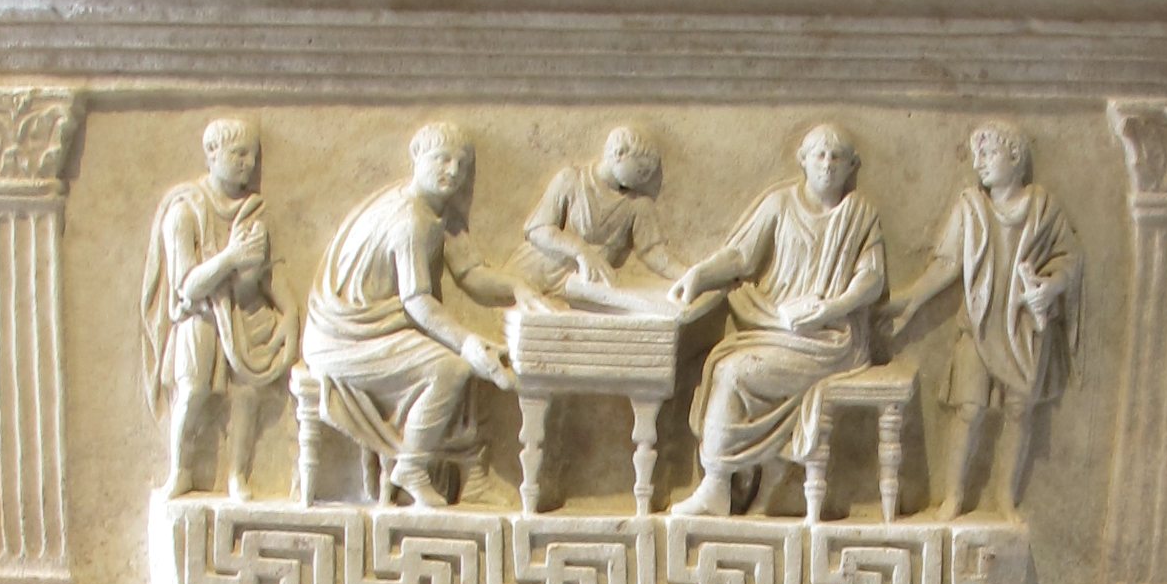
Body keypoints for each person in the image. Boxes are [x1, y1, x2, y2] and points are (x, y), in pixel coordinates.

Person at [669, 126, 886, 518]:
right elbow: (741, 256)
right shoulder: (780, 204)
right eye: (819, 155)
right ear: (802, 160)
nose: (827, 164)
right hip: (776, 324)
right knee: (720, 363)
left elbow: (870, 278)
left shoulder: (859, 214)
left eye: (837, 157)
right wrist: (700, 275)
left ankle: (718, 483)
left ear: (851, 166)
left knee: (734, 372)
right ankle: (735, 478)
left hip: (830, 339)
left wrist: (831, 308)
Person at [301, 123, 516, 509]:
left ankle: (472, 478)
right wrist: (467, 343)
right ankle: (412, 466)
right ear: (417, 158)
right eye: (442, 159)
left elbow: (470, 274)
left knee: (464, 358)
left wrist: (521, 291)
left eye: (461, 164)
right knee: (451, 369)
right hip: (347, 337)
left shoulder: (436, 211)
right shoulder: (410, 220)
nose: (453, 171)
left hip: (375, 329)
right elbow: (416, 301)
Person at [889, 124, 1082, 520]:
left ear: (1015, 157)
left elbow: (1070, 259)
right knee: (969, 409)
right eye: (976, 155)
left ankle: (1005, 498)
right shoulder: (971, 208)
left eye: (989, 153)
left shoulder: (1043, 208)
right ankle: (953, 497)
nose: (979, 163)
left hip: (1023, 327)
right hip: (977, 324)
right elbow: (946, 266)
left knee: (1019, 411)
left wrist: (1049, 287)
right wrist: (908, 300)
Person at [141, 117, 295, 498]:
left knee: (246, 393)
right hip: (200, 314)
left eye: (252, 156)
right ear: (212, 153)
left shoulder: (252, 212)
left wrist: (289, 312)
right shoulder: (184, 212)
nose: (248, 164)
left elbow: (264, 275)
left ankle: (237, 475)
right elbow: (188, 285)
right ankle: (181, 471)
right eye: (239, 154)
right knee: (192, 391)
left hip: (242, 311)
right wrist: (230, 258)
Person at [516, 129, 675, 308]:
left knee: (655, 304)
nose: (645, 178)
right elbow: (537, 230)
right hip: (540, 270)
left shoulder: (637, 206)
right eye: (641, 169)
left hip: (583, 282)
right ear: (620, 153)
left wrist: (689, 275)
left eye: (648, 173)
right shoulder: (572, 180)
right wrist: (581, 251)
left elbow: (653, 252)